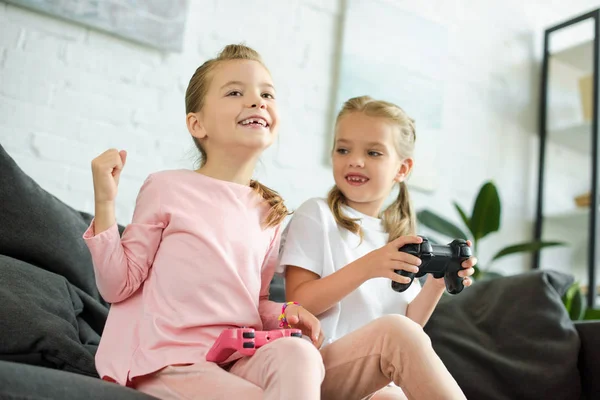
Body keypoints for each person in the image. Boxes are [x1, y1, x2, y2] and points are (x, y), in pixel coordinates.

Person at [83, 44, 325, 400]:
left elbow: (252, 304)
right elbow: (118, 285)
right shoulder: (167, 187)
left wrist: (287, 312)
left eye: (267, 94)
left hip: (232, 358)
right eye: (235, 92)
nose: (257, 101)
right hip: (166, 362)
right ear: (197, 124)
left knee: (300, 353)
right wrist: (105, 202)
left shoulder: (268, 212)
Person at [278, 95, 477, 400]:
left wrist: (438, 282)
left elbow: (409, 327)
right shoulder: (316, 214)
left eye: (373, 152)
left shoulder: (395, 236)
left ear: (402, 168)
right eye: (343, 149)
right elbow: (297, 304)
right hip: (316, 371)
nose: (355, 160)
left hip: (376, 380)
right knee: (394, 336)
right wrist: (369, 266)